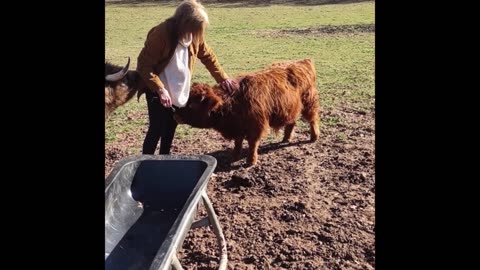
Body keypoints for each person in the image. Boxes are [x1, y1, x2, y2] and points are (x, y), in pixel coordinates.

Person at [136, 0, 238, 155]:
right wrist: (160, 89)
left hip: (179, 89)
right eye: (195, 28)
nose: (197, 33)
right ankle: (145, 162)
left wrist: (222, 78)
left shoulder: (194, 35)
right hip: (158, 91)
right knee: (156, 127)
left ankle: (164, 159)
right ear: (185, 22)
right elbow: (144, 65)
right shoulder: (161, 34)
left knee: (171, 125)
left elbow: (208, 56)